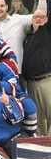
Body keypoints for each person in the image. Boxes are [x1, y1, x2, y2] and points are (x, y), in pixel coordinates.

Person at [0, 0, 46, 90]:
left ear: (7, 6)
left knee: (20, 103)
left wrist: (42, 0)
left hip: (18, 72)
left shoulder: (18, 20)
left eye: (2, 6)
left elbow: (39, 17)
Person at [0, 38, 37, 137]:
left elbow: (13, 88)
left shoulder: (8, 64)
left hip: (13, 95)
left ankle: (31, 136)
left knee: (29, 106)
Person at [22, 8, 51, 136]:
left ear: (47, 20)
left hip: (46, 80)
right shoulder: (27, 37)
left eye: (42, 17)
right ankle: (41, 145)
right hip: (31, 82)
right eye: (36, 17)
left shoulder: (48, 31)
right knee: (37, 117)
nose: (38, 19)